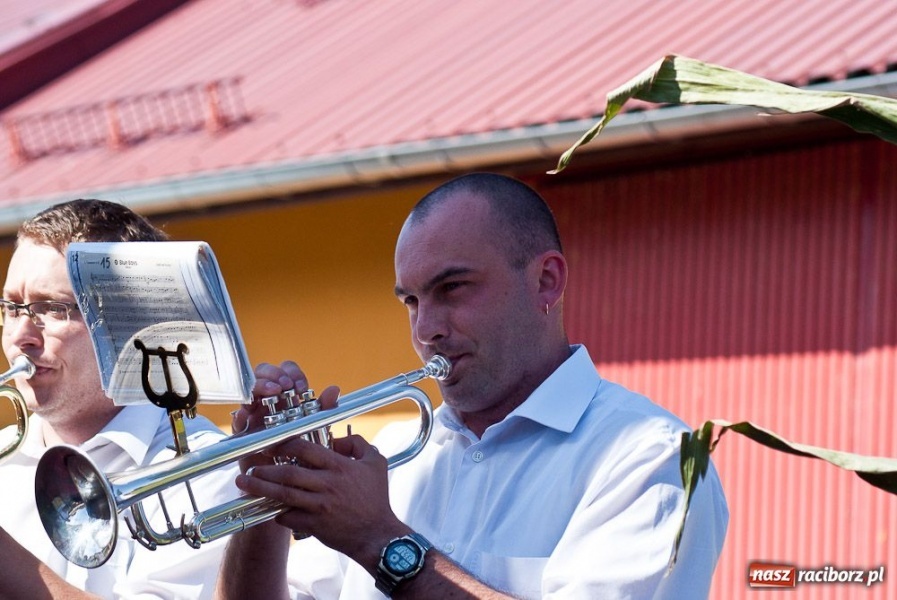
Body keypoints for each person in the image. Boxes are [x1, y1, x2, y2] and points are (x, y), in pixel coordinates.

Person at [216, 173, 729, 599]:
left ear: (546, 282)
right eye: (411, 302)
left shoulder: (652, 458)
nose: (425, 329)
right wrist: (265, 494)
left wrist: (378, 539)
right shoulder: (393, 450)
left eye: (452, 289)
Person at [0, 199, 240, 599]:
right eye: (11, 307)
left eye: (53, 310)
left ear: (125, 325)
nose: (20, 335)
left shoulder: (202, 467)